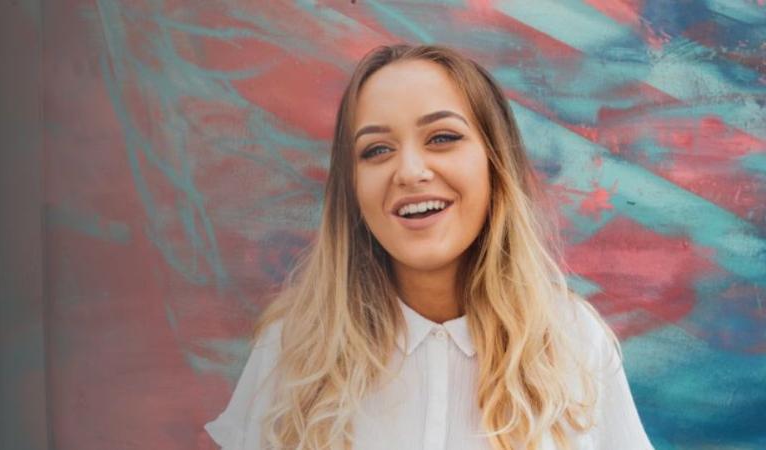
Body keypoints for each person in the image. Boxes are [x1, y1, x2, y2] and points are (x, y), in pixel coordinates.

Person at [205, 44, 653, 450]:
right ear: (353, 189)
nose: (410, 171)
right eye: (377, 150)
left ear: (495, 163)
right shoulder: (293, 349)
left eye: (442, 138)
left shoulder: (574, 342)